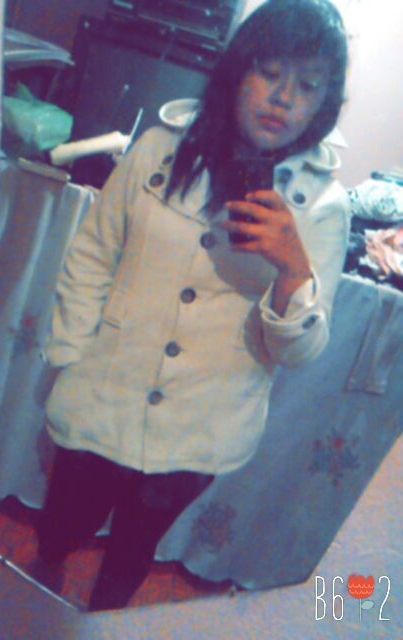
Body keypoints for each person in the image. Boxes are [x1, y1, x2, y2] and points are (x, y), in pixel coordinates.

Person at [36, 0, 350, 611]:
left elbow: (300, 352)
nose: (284, 98)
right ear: (239, 70)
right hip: (104, 390)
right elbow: (94, 252)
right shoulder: (159, 148)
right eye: (270, 72)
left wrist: (293, 268)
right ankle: (30, 595)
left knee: (131, 555)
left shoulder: (323, 206)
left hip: (203, 423)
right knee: (62, 526)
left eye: (308, 85)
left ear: (323, 102)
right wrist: (71, 357)